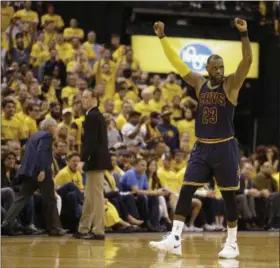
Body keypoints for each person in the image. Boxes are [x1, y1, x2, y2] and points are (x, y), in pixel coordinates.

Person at [149, 18, 252, 259]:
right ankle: (175, 238)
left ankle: (232, 243)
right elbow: (177, 63)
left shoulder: (231, 85)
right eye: (215, 68)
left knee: (228, 196)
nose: (220, 71)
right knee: (186, 190)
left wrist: (244, 34)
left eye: (222, 67)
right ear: (207, 69)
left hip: (225, 147)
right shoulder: (198, 83)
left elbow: (247, 61)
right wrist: (162, 38)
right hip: (202, 148)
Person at [1, 118, 67, 236]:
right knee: (50, 199)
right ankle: (54, 228)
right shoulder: (47, 135)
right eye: (55, 127)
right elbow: (41, 152)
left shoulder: (34, 136)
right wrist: (42, 170)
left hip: (28, 171)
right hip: (40, 170)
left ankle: (6, 222)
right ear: (50, 127)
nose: (57, 129)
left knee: (21, 198)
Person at [74, 89, 112, 240]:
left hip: (95, 161)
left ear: (95, 98)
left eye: (86, 97)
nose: (82, 100)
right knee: (89, 196)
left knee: (96, 197)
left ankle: (98, 230)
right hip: (96, 161)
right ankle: (83, 228)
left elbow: (90, 142)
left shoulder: (92, 116)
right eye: (82, 97)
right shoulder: (96, 115)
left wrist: (83, 159)